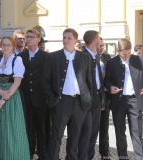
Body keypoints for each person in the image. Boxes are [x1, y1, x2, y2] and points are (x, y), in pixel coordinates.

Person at [42, 28, 93, 160]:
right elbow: (45, 80)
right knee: (56, 135)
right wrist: (52, 97)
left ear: (76, 40)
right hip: (61, 102)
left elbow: (89, 82)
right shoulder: (52, 57)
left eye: (69, 38)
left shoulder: (84, 58)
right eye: (64, 37)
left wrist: (87, 99)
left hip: (79, 103)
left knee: (74, 136)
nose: (65, 40)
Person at [0, 36, 29, 160]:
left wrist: (4, 98)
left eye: (8, 45)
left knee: (11, 129)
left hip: (11, 98)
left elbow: (17, 82)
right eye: (4, 45)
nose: (5, 47)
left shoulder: (17, 60)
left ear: (13, 46)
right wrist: (1, 93)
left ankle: (12, 156)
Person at [104, 38, 143, 160]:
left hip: (135, 100)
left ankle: (140, 157)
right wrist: (111, 87)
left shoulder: (139, 59)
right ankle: (123, 155)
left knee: (137, 132)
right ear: (118, 50)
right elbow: (107, 80)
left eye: (128, 53)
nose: (126, 56)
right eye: (124, 54)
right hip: (118, 101)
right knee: (119, 131)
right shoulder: (112, 62)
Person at [18, 29, 48, 160]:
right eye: (26, 37)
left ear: (38, 39)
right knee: (27, 127)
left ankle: (42, 153)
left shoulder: (45, 56)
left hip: (40, 97)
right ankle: (29, 152)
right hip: (25, 96)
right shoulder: (21, 56)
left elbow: (48, 77)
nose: (27, 39)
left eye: (31, 37)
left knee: (41, 128)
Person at [78, 30, 105, 160]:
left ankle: (89, 157)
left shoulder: (96, 56)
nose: (101, 42)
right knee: (85, 134)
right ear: (95, 41)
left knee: (93, 133)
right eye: (99, 39)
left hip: (97, 100)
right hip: (86, 102)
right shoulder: (82, 57)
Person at [97, 37, 112, 160]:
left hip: (105, 96)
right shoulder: (87, 57)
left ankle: (104, 152)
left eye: (103, 45)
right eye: (100, 45)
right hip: (93, 97)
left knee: (104, 125)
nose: (102, 48)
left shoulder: (107, 58)